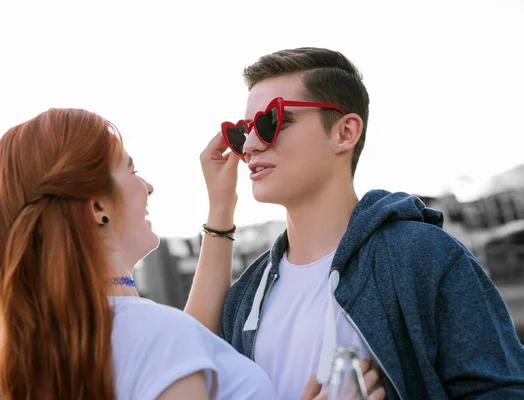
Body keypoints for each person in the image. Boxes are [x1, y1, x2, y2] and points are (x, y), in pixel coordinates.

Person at [185, 47, 524, 400]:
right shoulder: (247, 294)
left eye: (272, 121)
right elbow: (183, 374)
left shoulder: (422, 257)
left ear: (345, 132)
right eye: (244, 130)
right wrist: (220, 207)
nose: (250, 145)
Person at [0, 108, 382, 400]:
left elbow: (190, 339)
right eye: (132, 170)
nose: (148, 186)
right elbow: (173, 343)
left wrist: (221, 210)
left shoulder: (63, 343)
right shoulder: (155, 337)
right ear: (97, 208)